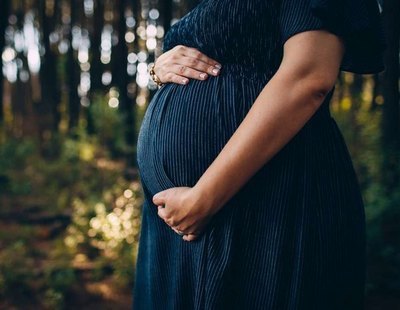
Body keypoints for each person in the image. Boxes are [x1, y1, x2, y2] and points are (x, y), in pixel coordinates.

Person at [133, 0, 386, 309]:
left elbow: (309, 78)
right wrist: (158, 69)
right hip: (177, 226)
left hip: (271, 200)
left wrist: (204, 197)